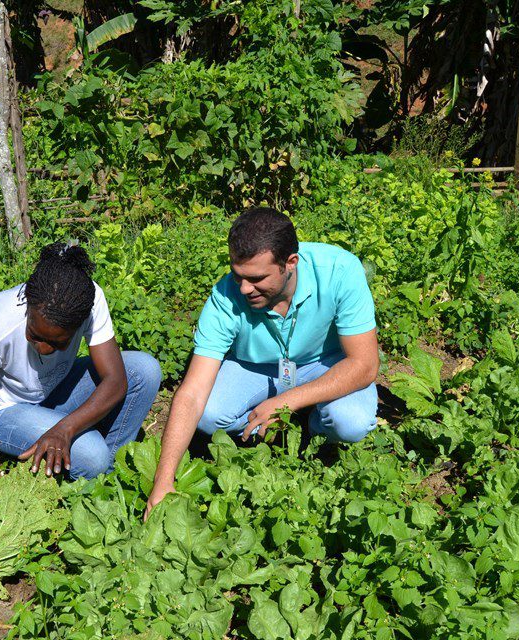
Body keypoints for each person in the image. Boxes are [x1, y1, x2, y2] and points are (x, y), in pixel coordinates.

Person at [145, 207, 379, 517]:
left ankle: (312, 423)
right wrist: (163, 481)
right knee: (209, 415)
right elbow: (191, 393)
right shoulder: (226, 296)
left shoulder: (339, 270)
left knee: (350, 422)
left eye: (256, 279)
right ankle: (264, 422)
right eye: (237, 275)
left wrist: (288, 401)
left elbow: (364, 364)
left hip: (328, 362)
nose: (244, 289)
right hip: (256, 368)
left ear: (290, 263)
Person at [0, 242, 162, 479]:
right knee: (92, 455)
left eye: (58, 343)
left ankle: (108, 476)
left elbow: (116, 380)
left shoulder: (86, 300)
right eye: (35, 336)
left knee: (144, 370)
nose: (45, 348)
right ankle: (92, 470)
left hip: (51, 392)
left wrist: (64, 429)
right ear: (27, 304)